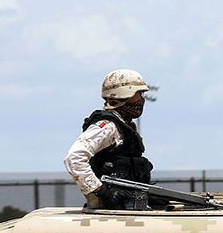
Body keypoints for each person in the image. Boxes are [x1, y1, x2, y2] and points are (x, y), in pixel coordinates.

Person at [64, 69, 155, 210]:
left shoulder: (125, 126)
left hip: (125, 206)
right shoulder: (107, 126)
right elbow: (74, 158)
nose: (142, 100)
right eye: (138, 95)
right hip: (109, 209)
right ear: (125, 95)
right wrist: (101, 191)